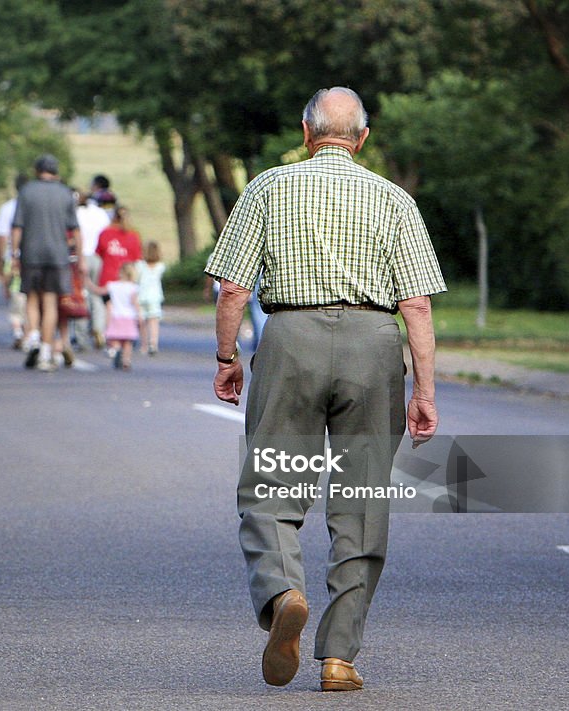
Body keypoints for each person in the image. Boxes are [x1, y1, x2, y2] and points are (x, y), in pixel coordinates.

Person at [205, 87, 446, 692]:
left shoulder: (267, 188)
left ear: (307, 133)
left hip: (290, 341)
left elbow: (233, 288)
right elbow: (415, 303)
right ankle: (339, 659)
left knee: (268, 487)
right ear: (361, 139)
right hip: (374, 345)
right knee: (362, 500)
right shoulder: (394, 200)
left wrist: (227, 356)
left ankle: (285, 592)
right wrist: (424, 390)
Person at [11, 155, 80, 372]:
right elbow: (75, 229)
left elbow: (17, 226)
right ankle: (46, 351)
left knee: (32, 297)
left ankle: (32, 336)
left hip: (31, 253)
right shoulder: (65, 193)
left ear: (37, 170)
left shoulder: (27, 192)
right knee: (50, 302)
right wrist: (79, 256)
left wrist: (13, 254)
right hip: (58, 255)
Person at [0, 175, 28, 349]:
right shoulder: (32, 206)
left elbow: (1, 238)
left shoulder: (7, 208)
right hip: (31, 257)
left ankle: (18, 329)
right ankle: (29, 330)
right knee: (30, 295)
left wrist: (0, 261)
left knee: (15, 294)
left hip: (11, 257)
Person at [87, 261, 140, 371]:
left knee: (115, 339)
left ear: (120, 273)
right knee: (127, 342)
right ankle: (126, 361)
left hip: (115, 316)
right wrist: (139, 315)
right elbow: (135, 303)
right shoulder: (133, 288)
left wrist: (88, 283)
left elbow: (99, 291)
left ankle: (114, 349)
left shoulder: (112, 285)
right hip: (129, 317)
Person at [76, 188, 111, 349]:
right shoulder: (100, 214)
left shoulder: (76, 213)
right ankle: (99, 329)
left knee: (81, 296)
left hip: (80, 256)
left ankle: (81, 336)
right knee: (97, 295)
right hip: (98, 256)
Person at [136, 240, 166, 355]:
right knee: (154, 321)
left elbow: (136, 279)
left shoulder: (140, 266)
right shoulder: (160, 266)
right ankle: (153, 344)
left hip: (141, 295)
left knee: (142, 322)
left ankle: (144, 345)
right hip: (155, 296)